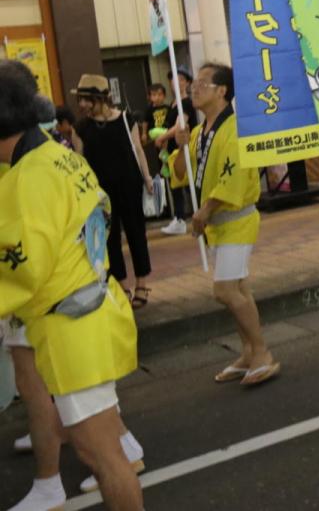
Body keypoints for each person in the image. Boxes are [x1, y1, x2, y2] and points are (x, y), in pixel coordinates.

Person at [0, 60, 143, 511]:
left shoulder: (30, 176)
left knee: (102, 456)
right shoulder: (57, 153)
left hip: (71, 324)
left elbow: (23, 266)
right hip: (87, 308)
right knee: (102, 450)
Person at [172, 63, 279, 387]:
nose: (194, 88)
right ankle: (248, 351)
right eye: (195, 83)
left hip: (236, 220)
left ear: (222, 91)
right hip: (218, 224)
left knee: (225, 290)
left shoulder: (235, 129)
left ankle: (262, 352)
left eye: (203, 83)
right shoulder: (198, 132)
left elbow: (232, 179)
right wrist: (179, 146)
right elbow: (180, 174)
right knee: (239, 288)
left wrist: (204, 212)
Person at [72, 74, 154, 309]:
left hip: (129, 185)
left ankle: (142, 283)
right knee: (109, 240)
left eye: (87, 100)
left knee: (137, 233)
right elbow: (79, 164)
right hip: (100, 193)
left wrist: (147, 177)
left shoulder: (128, 120)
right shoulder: (80, 129)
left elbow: (138, 150)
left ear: (101, 98)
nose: (82, 105)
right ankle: (122, 287)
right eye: (81, 100)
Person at [158, 69, 197, 235]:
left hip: (186, 148)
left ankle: (198, 215)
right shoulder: (173, 103)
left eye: (182, 79)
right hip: (174, 150)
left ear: (187, 83)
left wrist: (162, 137)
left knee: (189, 184)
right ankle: (180, 219)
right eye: (174, 79)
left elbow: (180, 125)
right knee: (177, 185)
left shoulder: (186, 103)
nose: (178, 82)